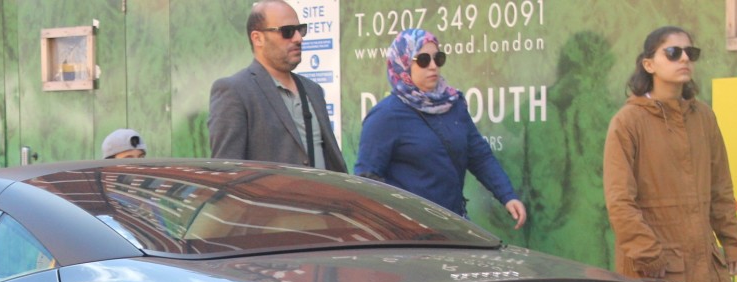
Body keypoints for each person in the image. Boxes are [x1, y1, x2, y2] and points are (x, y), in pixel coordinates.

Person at [603, 25, 737, 282]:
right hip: (657, 268)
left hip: (704, 264)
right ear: (648, 64)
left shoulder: (703, 117)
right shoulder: (628, 122)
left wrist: (732, 241)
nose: (684, 58)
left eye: (690, 53)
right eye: (673, 52)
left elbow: (721, 187)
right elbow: (620, 201)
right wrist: (648, 254)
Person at [354, 29, 526, 228]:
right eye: (424, 60)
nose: (433, 66)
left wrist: (507, 195)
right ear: (404, 63)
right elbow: (367, 181)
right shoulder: (386, 115)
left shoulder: (453, 105)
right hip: (410, 234)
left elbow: (479, 155)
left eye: (439, 58)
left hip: (453, 225)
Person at [208, 0, 346, 172]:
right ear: (258, 38)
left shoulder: (313, 90)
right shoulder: (235, 91)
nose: (298, 38)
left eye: (300, 29)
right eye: (287, 32)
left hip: (321, 198)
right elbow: (226, 172)